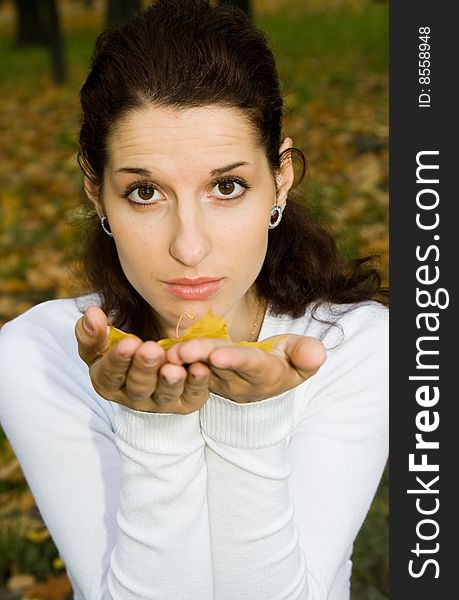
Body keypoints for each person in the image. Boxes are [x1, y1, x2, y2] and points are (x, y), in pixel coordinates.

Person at [0, 1, 388, 598]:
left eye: (227, 187)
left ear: (279, 179)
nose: (189, 246)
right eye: (145, 191)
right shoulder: (38, 355)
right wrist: (152, 429)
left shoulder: (355, 345)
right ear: (96, 192)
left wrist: (250, 422)